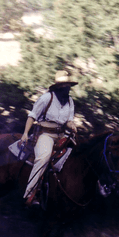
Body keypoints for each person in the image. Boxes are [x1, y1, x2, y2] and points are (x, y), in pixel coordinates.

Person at [20, 70, 77, 206]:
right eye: (64, 85)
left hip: (62, 135)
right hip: (45, 134)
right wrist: (25, 133)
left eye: (68, 85)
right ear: (57, 86)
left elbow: (68, 120)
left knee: (76, 154)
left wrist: (72, 125)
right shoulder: (47, 98)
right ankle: (30, 193)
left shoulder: (70, 101)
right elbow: (32, 116)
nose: (66, 88)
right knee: (44, 157)